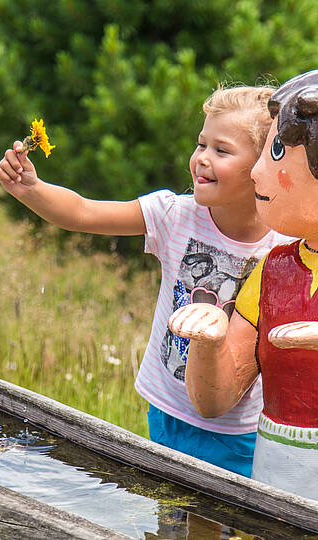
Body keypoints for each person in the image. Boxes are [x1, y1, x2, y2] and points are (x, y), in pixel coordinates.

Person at [0, 85, 292, 478]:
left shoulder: (285, 243)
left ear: (260, 168)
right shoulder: (175, 215)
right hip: (167, 410)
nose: (202, 159)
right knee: (168, 516)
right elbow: (84, 213)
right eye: (201, 144)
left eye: (221, 151)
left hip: (241, 428)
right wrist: (32, 189)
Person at [169, 70, 318, 499]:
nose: (256, 172)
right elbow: (216, 401)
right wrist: (210, 342)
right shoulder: (272, 269)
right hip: (275, 472)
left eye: (276, 152)